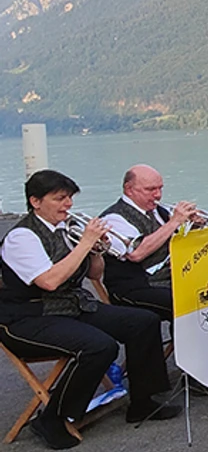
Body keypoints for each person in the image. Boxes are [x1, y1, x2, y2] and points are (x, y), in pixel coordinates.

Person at [0, 170, 181, 449]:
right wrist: (84, 243)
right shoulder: (21, 237)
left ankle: (143, 401)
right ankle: (51, 418)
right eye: (59, 198)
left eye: (69, 198)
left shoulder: (64, 228)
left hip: (71, 305)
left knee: (143, 321)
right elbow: (49, 281)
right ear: (35, 202)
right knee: (98, 345)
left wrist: (96, 250)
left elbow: (95, 275)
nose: (68, 204)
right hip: (28, 317)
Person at [99, 165, 199, 320]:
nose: (158, 195)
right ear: (129, 189)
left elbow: (176, 241)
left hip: (170, 277)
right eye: (150, 189)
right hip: (134, 285)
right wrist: (173, 222)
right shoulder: (113, 218)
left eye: (160, 188)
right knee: (188, 302)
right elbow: (136, 253)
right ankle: (184, 343)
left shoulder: (159, 211)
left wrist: (194, 225)